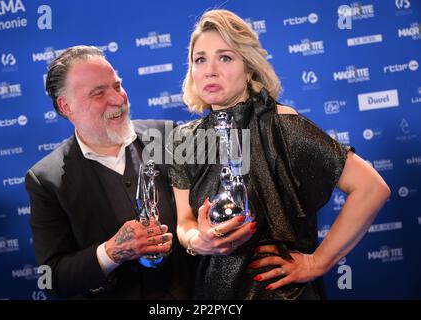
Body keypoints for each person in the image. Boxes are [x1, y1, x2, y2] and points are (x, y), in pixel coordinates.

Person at [167, 9, 391, 300]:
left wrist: (317, 261)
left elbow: (372, 188)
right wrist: (198, 241)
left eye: (225, 57)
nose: (210, 70)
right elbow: (184, 221)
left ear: (248, 68)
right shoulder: (183, 140)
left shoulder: (283, 125)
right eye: (200, 59)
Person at [25, 45, 196, 299]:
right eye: (98, 93)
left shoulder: (169, 135)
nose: (117, 99)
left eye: (117, 86)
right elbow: (51, 278)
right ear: (66, 106)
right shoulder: (46, 179)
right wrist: (111, 251)